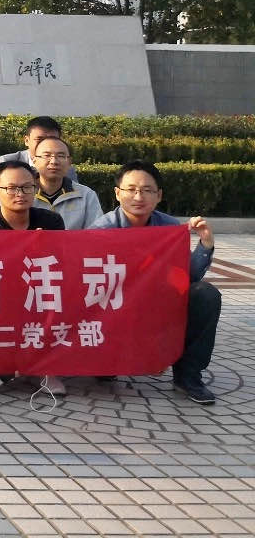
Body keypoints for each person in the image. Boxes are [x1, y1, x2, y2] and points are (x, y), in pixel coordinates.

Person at [91, 161, 221, 405]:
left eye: (147, 190)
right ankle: (108, 360)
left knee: (204, 294)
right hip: (116, 303)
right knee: (104, 368)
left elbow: (187, 277)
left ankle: (188, 375)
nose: (138, 197)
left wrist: (205, 244)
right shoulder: (102, 229)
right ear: (118, 193)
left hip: (156, 301)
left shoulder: (169, 227)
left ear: (159, 195)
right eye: (131, 189)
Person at [0, 159, 66, 397]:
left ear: (35, 189)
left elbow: (62, 265)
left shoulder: (51, 222)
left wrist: (45, 248)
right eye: (11, 188)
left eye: (27, 187)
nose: (20, 194)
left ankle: (47, 369)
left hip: (40, 291)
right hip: (1, 295)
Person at [0, 116, 77, 215]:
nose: (45, 144)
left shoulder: (66, 168)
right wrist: (6, 221)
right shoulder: (7, 161)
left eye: (52, 139)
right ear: (27, 140)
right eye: (39, 139)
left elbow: (74, 201)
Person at [31, 137, 103, 229]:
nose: (54, 161)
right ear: (34, 160)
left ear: (69, 162)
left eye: (61, 156)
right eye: (47, 155)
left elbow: (96, 232)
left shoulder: (86, 195)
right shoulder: (24, 194)